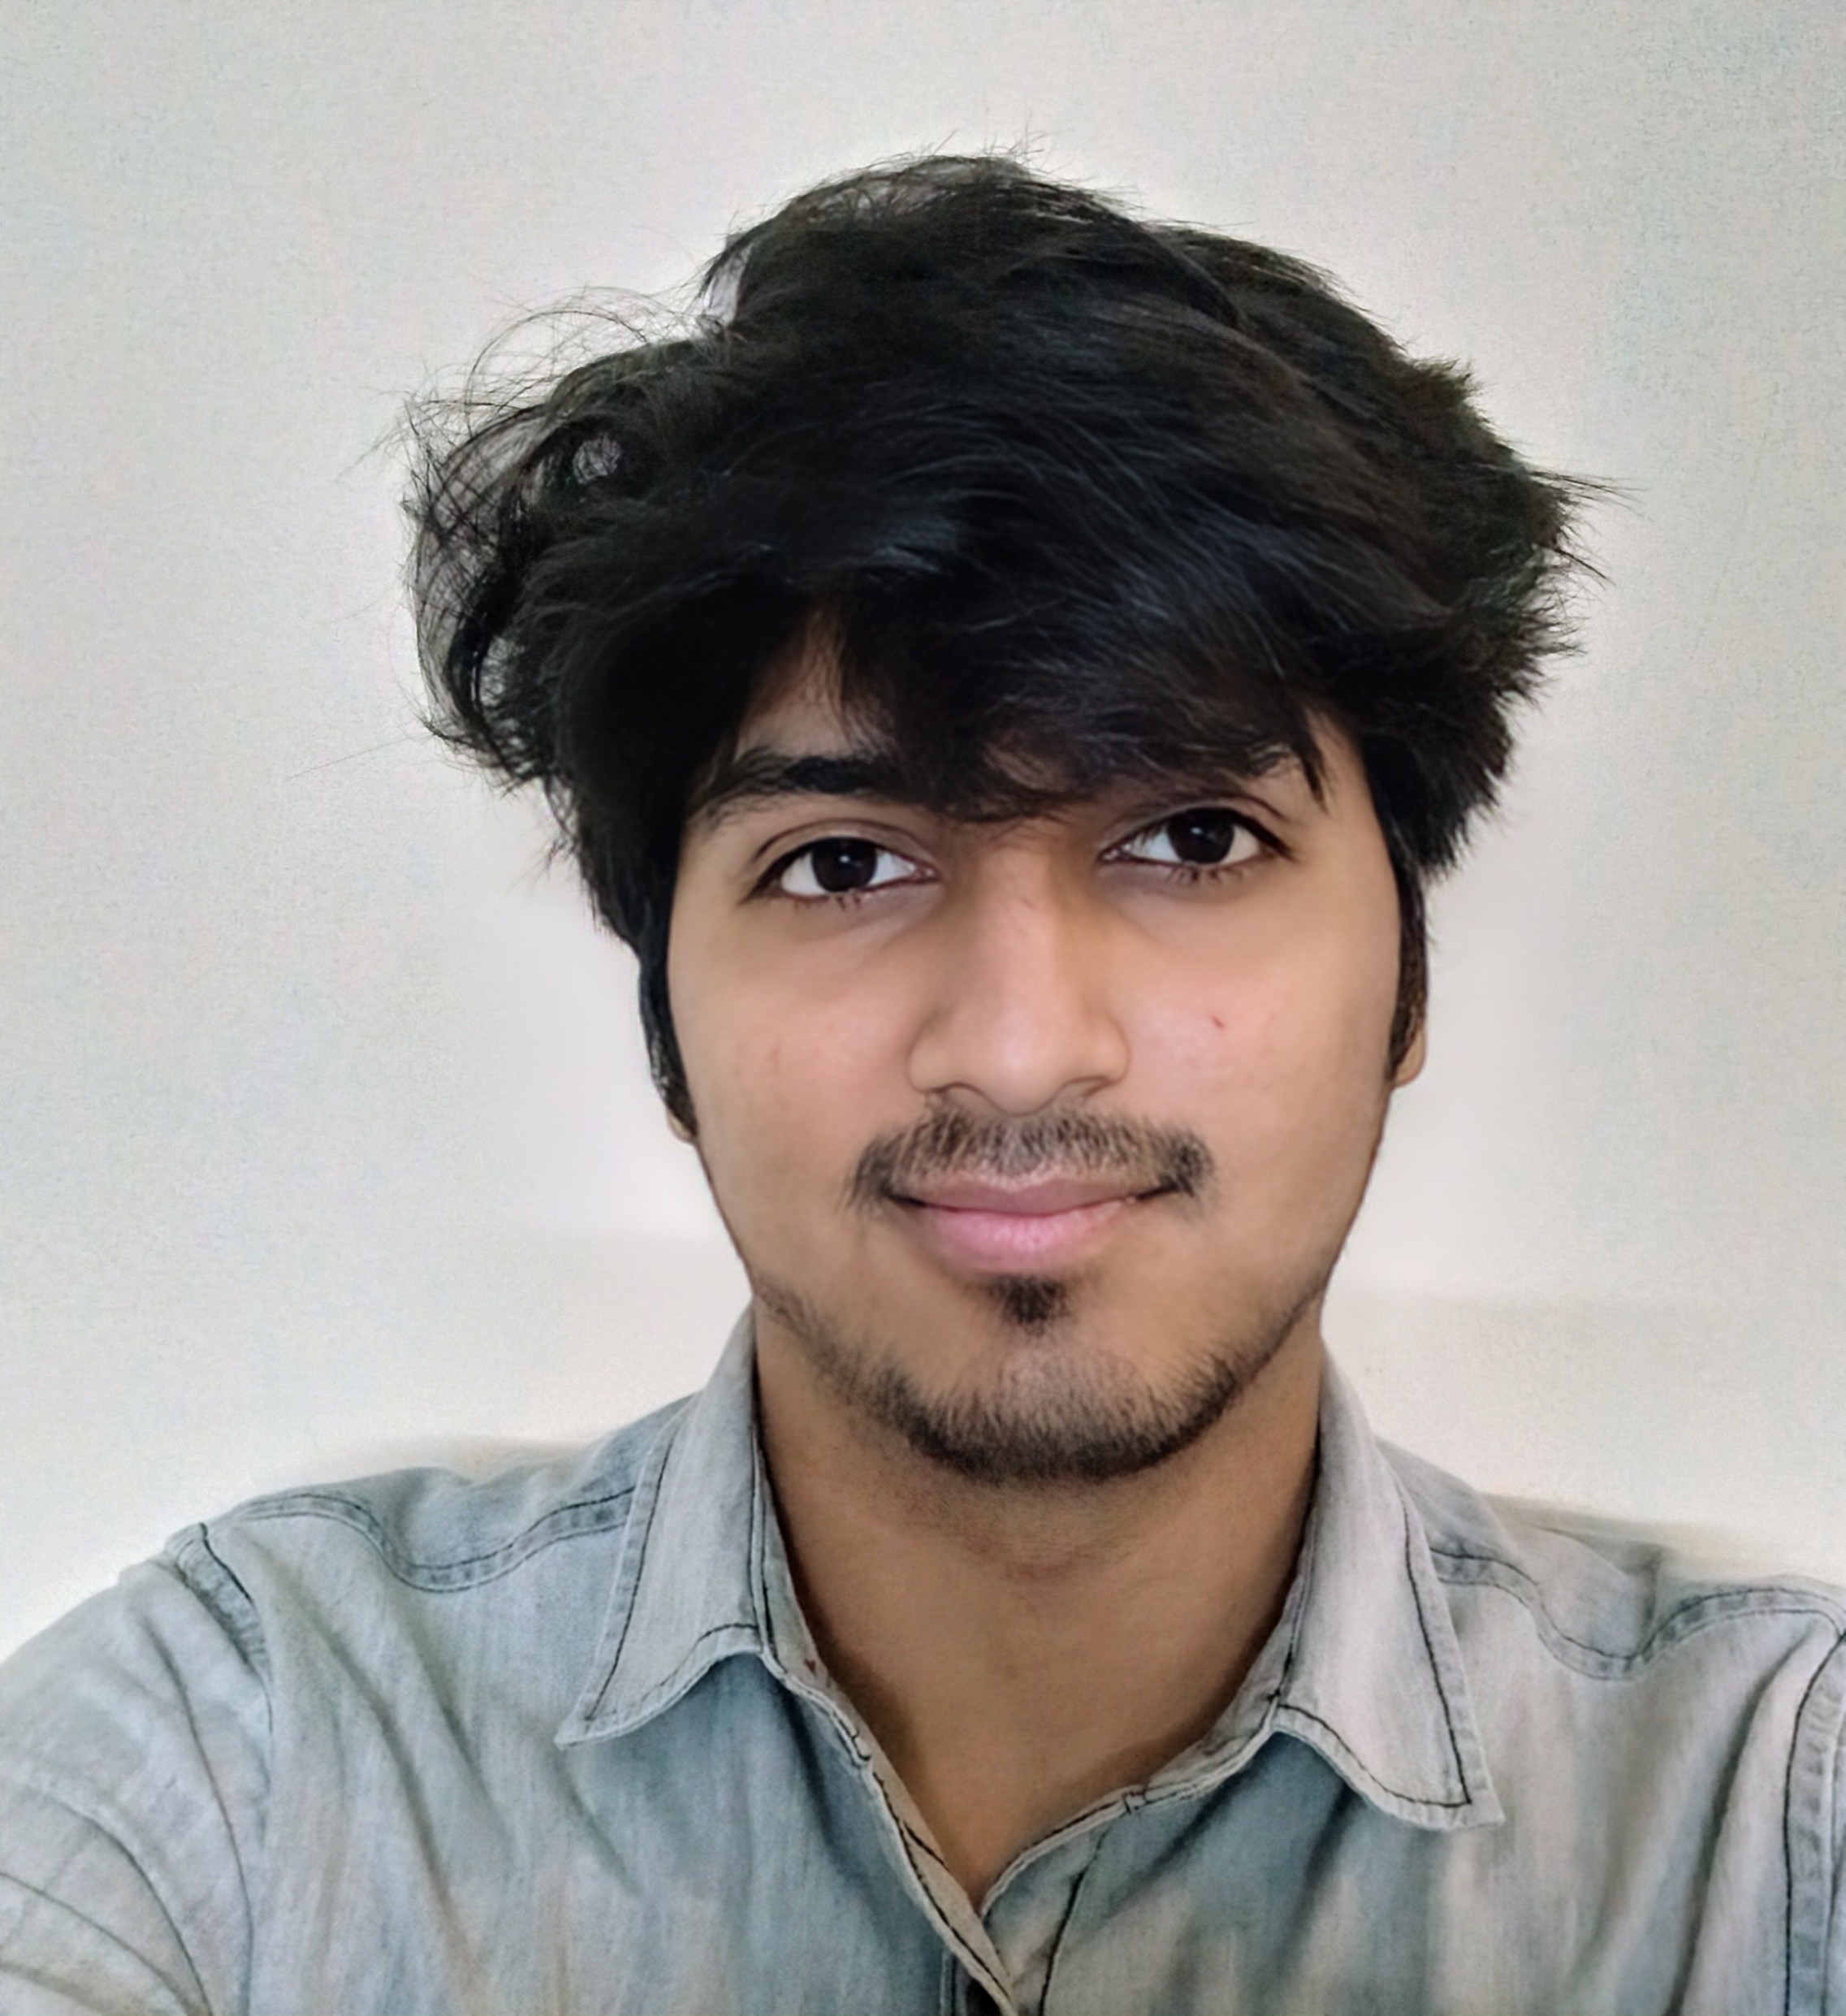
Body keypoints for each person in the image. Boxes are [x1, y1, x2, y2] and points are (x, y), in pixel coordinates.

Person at [1, 153, 1840, 2016]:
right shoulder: (233, 1769)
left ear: (1410, 973)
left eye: (1194, 836)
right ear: (664, 1020)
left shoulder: (1772, 1824)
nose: (1021, 1045)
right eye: (843, 862)